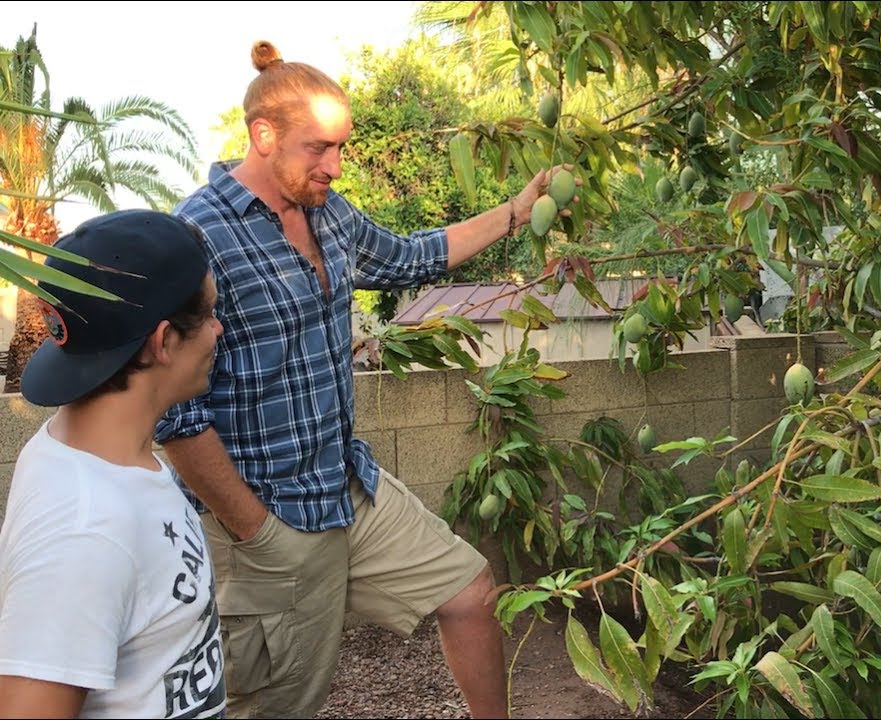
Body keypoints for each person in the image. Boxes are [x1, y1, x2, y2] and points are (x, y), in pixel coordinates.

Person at [155, 41, 576, 719]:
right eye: (319, 148)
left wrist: (516, 212)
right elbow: (172, 414)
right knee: (278, 704)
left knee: (469, 590)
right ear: (263, 137)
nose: (336, 165)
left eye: (341, 147)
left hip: (345, 487)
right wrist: (254, 528)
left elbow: (411, 256)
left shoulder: (329, 212)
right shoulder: (196, 236)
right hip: (263, 522)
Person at [0, 210, 226, 719]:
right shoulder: (85, 529)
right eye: (210, 312)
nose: (218, 328)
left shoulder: (102, 453)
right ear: (162, 341)